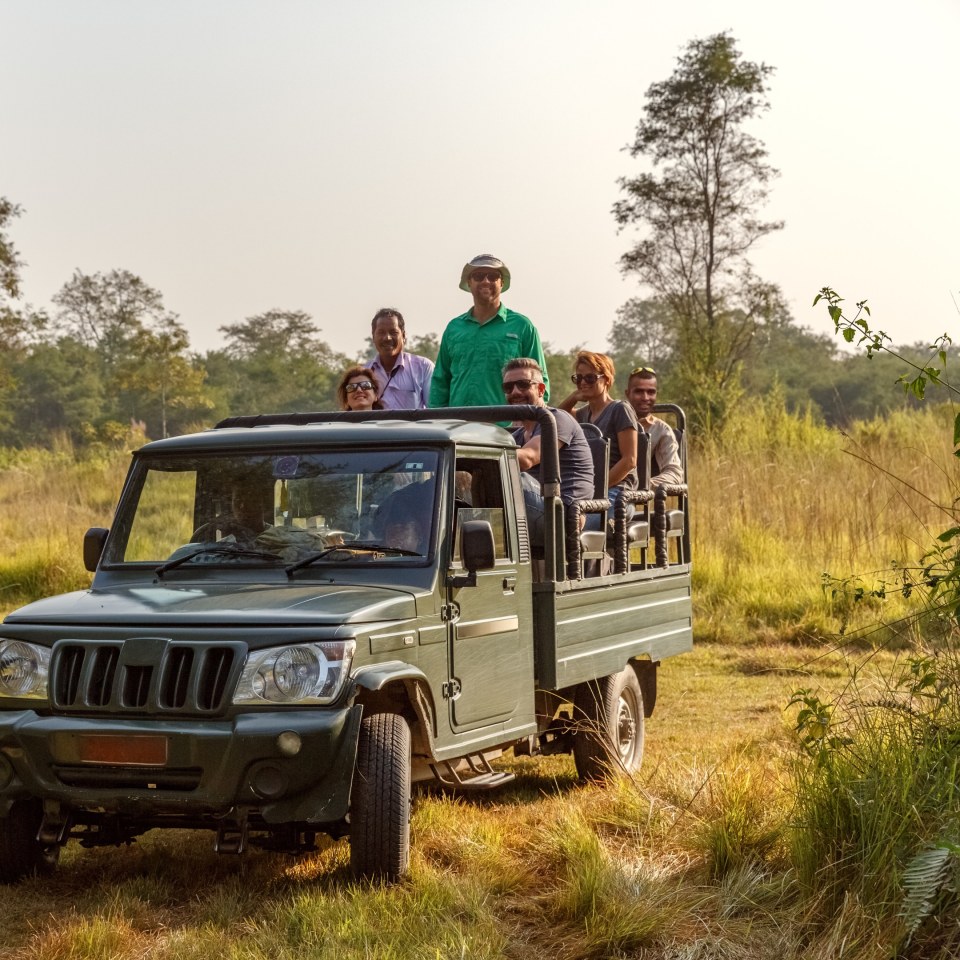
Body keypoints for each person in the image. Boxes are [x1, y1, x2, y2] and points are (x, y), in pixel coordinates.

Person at [430, 254, 550, 408]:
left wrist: (531, 418)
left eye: (493, 276)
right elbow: (440, 380)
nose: (486, 281)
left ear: (502, 283)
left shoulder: (522, 326)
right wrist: (437, 416)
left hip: (507, 421)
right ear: (469, 282)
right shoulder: (454, 328)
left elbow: (540, 381)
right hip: (458, 420)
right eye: (479, 276)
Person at [503, 357, 593, 546]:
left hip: (564, 513)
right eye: (508, 387)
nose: (515, 392)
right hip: (537, 508)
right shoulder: (517, 436)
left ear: (541, 390)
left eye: (523, 384)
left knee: (514, 481)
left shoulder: (556, 420)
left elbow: (527, 459)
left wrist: (478, 455)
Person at [558, 350, 638, 528]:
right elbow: (556, 420)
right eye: (578, 378)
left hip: (618, 494)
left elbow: (629, 461)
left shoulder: (620, 409)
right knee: (556, 524)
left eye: (590, 378)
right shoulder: (581, 415)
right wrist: (573, 397)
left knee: (574, 528)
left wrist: (596, 488)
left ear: (606, 379)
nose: (583, 383)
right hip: (587, 494)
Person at [624, 366, 683, 487]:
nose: (645, 398)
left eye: (651, 392)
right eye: (639, 392)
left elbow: (675, 473)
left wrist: (642, 486)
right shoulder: (612, 420)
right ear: (627, 394)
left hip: (634, 494)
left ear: (656, 394)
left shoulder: (661, 430)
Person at [367, 307, 434, 409]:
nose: (387, 338)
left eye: (393, 332)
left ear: (403, 336)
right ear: (373, 337)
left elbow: (435, 410)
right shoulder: (365, 372)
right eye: (381, 332)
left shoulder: (423, 367)